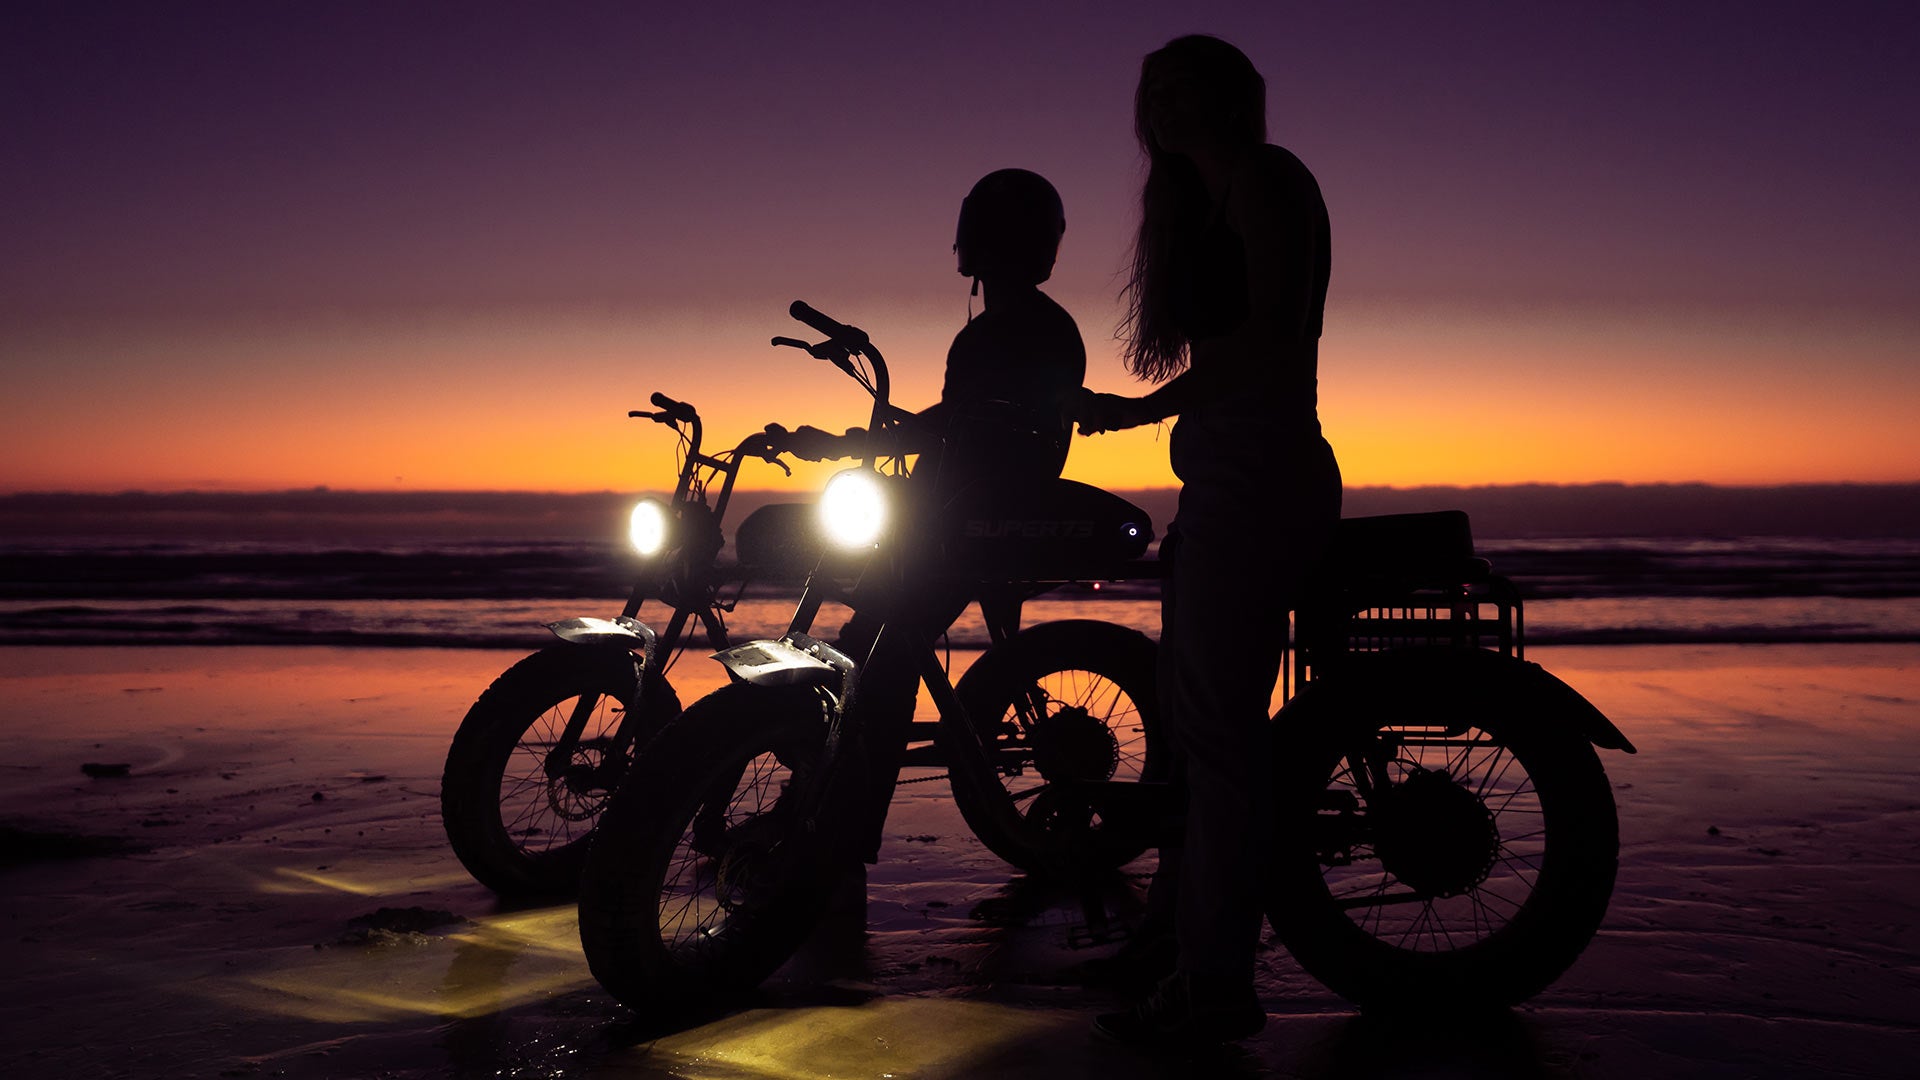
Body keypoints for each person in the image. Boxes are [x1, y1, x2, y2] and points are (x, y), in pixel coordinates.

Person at [1075, 35, 1342, 1045]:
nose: (1168, 103)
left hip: (1261, 477)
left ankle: (1217, 983)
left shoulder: (1269, 182)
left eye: (1188, 85)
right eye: (1154, 89)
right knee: (1196, 740)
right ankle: (1171, 944)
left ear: (1233, 98)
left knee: (1223, 744)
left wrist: (1131, 416)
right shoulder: (1208, 204)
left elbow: (1265, 350)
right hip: (1223, 484)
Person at [789, 168, 1088, 862]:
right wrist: (879, 436)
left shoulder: (1018, 331)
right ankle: (836, 817)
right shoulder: (1013, 329)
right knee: (867, 639)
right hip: (954, 512)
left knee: (884, 654)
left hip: (983, 522)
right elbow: (954, 425)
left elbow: (970, 425)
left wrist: (856, 442)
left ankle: (846, 835)